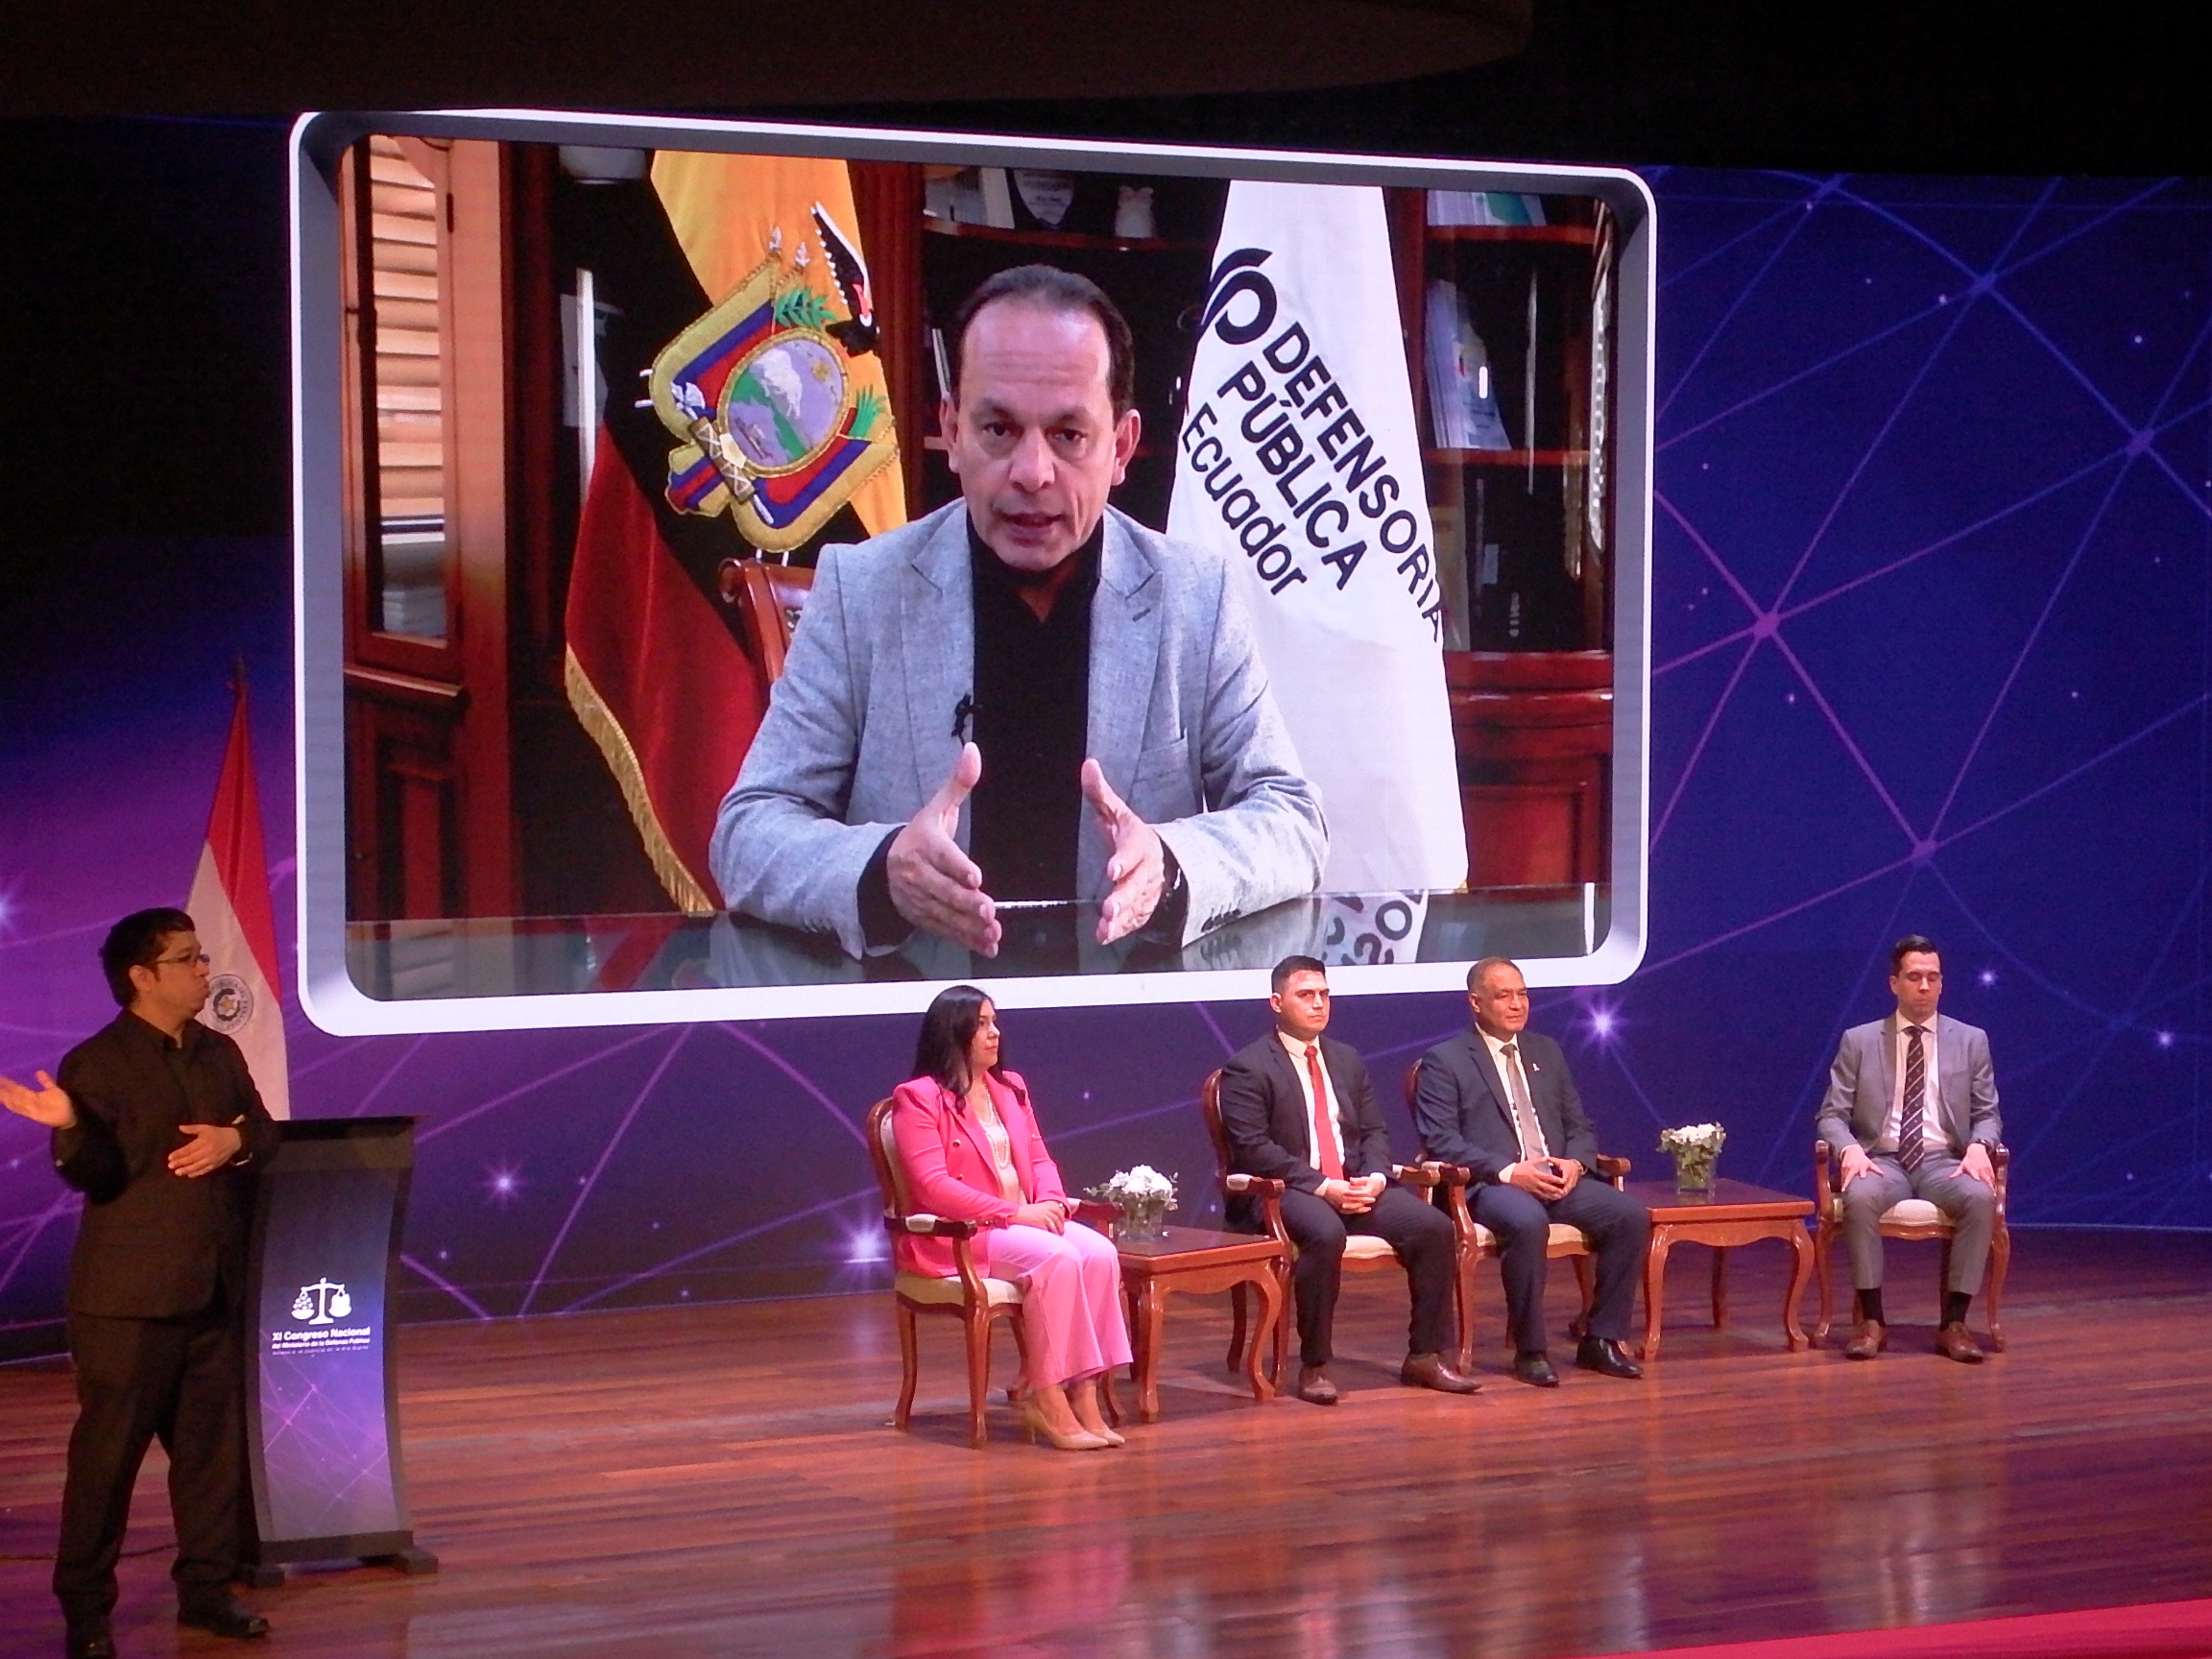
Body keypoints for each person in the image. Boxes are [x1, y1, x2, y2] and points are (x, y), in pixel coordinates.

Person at [710, 263, 1326, 961]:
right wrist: (884, 871)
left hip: (1122, 1004)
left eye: (1069, 435)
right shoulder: (862, 590)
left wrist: (1172, 866)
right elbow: (747, 833)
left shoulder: (1196, 599)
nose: (1032, 472)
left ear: (1121, 447)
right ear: (951, 431)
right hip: (923, 1010)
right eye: (999, 429)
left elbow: (1293, 820)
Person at [1, 908, 280, 1659]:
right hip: (128, 1304)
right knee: (107, 1464)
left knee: (210, 1458)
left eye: (202, 955)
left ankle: (208, 1592)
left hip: (212, 1291)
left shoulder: (219, 1052)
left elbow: (264, 1133)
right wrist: (69, 1125)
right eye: (187, 959)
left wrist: (235, 1139)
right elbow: (99, 1174)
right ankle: (87, 1614)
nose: (203, 969)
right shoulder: (97, 1064)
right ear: (142, 976)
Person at [1215, 955, 1479, 1404]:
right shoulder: (1248, 1067)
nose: (1319, 1004)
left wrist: (1374, 1177)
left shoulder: (1346, 1059)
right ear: (1276, 1003)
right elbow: (1254, 1149)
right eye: (1306, 995)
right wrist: (1324, 1187)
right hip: (1287, 1190)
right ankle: (1315, 1365)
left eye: (1324, 994)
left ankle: (1425, 1356)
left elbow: (1374, 1131)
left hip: (1354, 1184)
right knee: (1324, 1231)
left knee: (1434, 1227)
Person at [888, 985, 1132, 1450]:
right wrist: (1016, 1213)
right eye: (981, 1024)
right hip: (964, 1234)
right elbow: (933, 1186)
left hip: (1024, 1220)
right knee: (1057, 1258)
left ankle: (1085, 1394)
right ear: (953, 1032)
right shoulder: (917, 1098)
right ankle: (1046, 1396)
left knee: (1100, 1252)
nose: (994, 1033)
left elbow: (1039, 1158)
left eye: (994, 1022)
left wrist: (1053, 1202)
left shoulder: (1011, 1087)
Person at [1411, 957, 1649, 1386]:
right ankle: (1531, 1349)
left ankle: (1601, 1339)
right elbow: (1442, 1140)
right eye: (1503, 996)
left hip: (1557, 1177)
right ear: (1475, 1002)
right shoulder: (1444, 1060)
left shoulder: (1546, 1051)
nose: (1517, 1004)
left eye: (1522, 994)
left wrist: (1575, 1163)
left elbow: (1579, 1124)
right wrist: (1509, 1171)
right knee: (1526, 1221)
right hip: (1491, 1184)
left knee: (1628, 1215)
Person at [1816, 934, 2003, 1363]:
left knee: (1980, 1197)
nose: (1924, 986)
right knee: (1859, 1196)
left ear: (1942, 983)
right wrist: (1849, 1150)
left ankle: (1954, 1324)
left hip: (1944, 1161)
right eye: (1915, 977)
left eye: (1933, 978)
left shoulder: (1970, 1040)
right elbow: (1830, 1115)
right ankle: (1871, 1321)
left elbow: (1988, 1113)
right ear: (1894, 983)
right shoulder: (1860, 1040)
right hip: (1882, 1159)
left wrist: (1979, 1146)